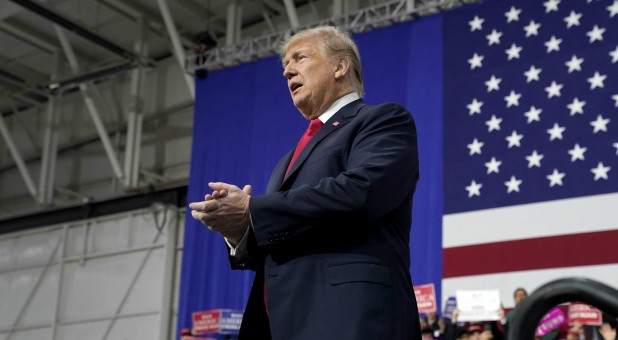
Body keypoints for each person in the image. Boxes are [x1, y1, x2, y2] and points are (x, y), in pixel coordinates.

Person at [189, 25, 421, 339]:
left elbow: (361, 193)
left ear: (340, 67)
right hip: (284, 322)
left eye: (300, 58)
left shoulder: (382, 120)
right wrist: (241, 233)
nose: (288, 72)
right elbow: (283, 240)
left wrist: (254, 209)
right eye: (285, 66)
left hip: (349, 317)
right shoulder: (285, 162)